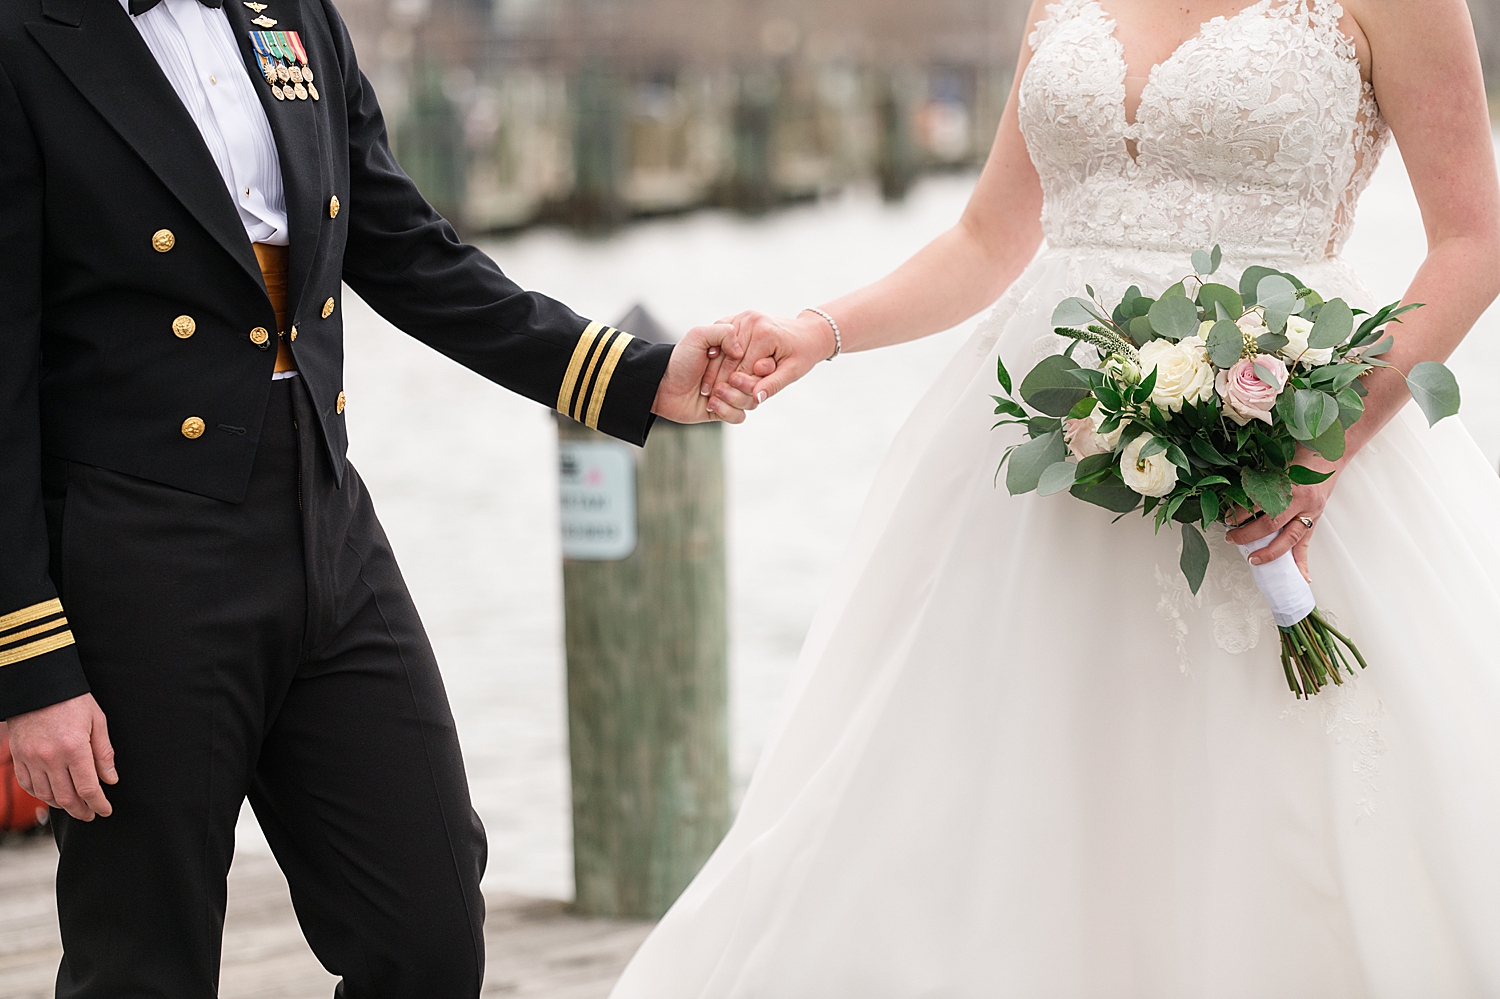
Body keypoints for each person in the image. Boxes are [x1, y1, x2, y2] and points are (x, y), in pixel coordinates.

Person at [611, 0, 1500, 994]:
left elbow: (1471, 241)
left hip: (1283, 441)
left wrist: (1329, 444)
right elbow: (991, 239)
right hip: (1040, 470)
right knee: (995, 804)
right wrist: (819, 330)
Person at [0, 0, 755, 993]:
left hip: (323, 515)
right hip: (140, 548)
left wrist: (631, 376)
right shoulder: (25, 36)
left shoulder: (295, 14)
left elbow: (407, 249)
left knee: (428, 933)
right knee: (144, 959)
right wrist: (30, 662)